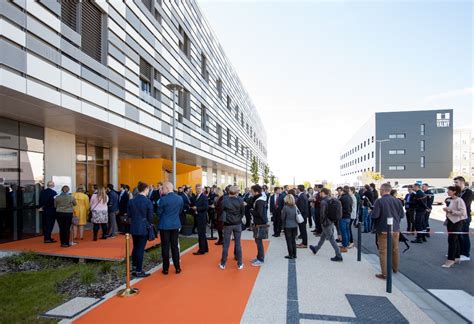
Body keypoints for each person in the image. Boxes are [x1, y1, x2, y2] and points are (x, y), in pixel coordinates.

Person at [371, 183, 404, 280]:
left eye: (380, 190)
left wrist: (371, 212)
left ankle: (384, 273)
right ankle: (395, 268)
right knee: (395, 249)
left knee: (383, 252)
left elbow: (375, 215)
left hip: (383, 229)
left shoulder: (379, 201)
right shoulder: (397, 201)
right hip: (396, 229)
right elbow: (402, 215)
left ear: (382, 190)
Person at [128, 181, 154, 278]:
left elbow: (129, 215)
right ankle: (139, 270)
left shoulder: (131, 201)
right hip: (143, 228)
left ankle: (134, 268)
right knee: (140, 249)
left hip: (134, 227)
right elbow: (150, 217)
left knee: (135, 248)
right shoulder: (148, 201)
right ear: (146, 189)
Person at [309, 188, 343, 262]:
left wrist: (322, 223)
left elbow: (322, 214)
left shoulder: (323, 202)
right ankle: (316, 248)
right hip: (331, 221)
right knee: (323, 236)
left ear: (323, 193)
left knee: (331, 238)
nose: (320, 194)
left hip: (326, 223)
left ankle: (338, 255)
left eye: (321, 192)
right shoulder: (330, 199)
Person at [157, 182, 183, 275]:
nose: (162, 190)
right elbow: (180, 211)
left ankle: (166, 269)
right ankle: (177, 268)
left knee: (165, 247)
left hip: (165, 225)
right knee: (175, 246)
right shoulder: (179, 198)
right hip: (175, 225)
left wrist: (164, 217)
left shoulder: (163, 199)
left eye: (163, 188)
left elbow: (159, 213)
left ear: (167, 188)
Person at [219, 186, 245, 269]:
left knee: (226, 244)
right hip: (237, 224)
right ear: (236, 192)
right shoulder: (240, 200)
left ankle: (223, 263)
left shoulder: (224, 201)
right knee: (238, 244)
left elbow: (220, 211)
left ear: (228, 192)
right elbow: (242, 213)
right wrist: (238, 218)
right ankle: (240, 263)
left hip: (228, 224)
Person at [442, 185, 467, 268]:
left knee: (452, 240)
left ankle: (450, 260)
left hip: (457, 222)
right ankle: (456, 257)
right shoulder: (450, 200)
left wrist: (450, 210)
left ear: (454, 192)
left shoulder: (459, 200)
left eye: (449, 190)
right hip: (450, 221)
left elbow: (463, 212)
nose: (447, 192)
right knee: (454, 239)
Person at [454, 176, 473, 261]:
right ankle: (457, 253)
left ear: (462, 182)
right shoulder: (457, 192)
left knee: (464, 235)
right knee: (457, 235)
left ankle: (465, 254)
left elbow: (464, 204)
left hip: (465, 217)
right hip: (457, 217)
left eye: (456, 182)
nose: (455, 184)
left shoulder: (468, 192)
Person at [250, 184, 268, 266]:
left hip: (260, 224)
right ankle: (258, 257)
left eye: (252, 191)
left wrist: (251, 211)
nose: (251, 192)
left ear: (256, 192)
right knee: (257, 241)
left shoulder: (259, 201)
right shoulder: (258, 199)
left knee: (259, 241)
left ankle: (260, 259)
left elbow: (260, 214)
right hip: (258, 223)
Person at [191, 184, 209, 255]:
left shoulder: (204, 197)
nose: (198, 190)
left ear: (202, 189)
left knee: (201, 234)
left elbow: (206, 207)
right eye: (196, 189)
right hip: (198, 217)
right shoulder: (196, 196)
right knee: (202, 234)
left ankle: (201, 250)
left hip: (202, 218)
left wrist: (197, 208)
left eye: (199, 189)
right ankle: (206, 248)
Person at [281, 194, 298, 259]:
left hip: (288, 226)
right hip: (295, 225)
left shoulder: (285, 207)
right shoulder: (295, 206)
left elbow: (283, 218)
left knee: (289, 241)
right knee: (293, 240)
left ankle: (290, 255)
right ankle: (295, 254)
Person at [338, 186, 352, 252]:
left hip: (343, 216)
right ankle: (346, 243)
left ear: (343, 191)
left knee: (344, 232)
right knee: (347, 231)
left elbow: (339, 207)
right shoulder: (350, 197)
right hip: (348, 216)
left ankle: (344, 246)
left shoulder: (342, 198)